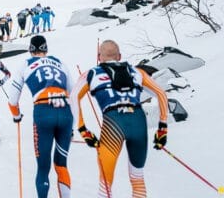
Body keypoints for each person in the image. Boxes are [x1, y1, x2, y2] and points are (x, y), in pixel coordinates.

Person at [72, 40, 169, 198]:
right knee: (137, 177)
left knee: (106, 182)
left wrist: (83, 129)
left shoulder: (92, 73)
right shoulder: (137, 72)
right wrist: (162, 127)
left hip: (113, 122)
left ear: (99, 57)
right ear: (119, 56)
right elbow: (161, 94)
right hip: (138, 121)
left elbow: (73, 97)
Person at [8, 35, 74, 198]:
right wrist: (72, 128)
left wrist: (16, 116)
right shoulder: (59, 62)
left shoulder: (26, 64)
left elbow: (12, 100)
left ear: (31, 50)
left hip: (43, 111)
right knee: (61, 165)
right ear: (46, 49)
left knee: (43, 168)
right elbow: (73, 93)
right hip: (65, 111)